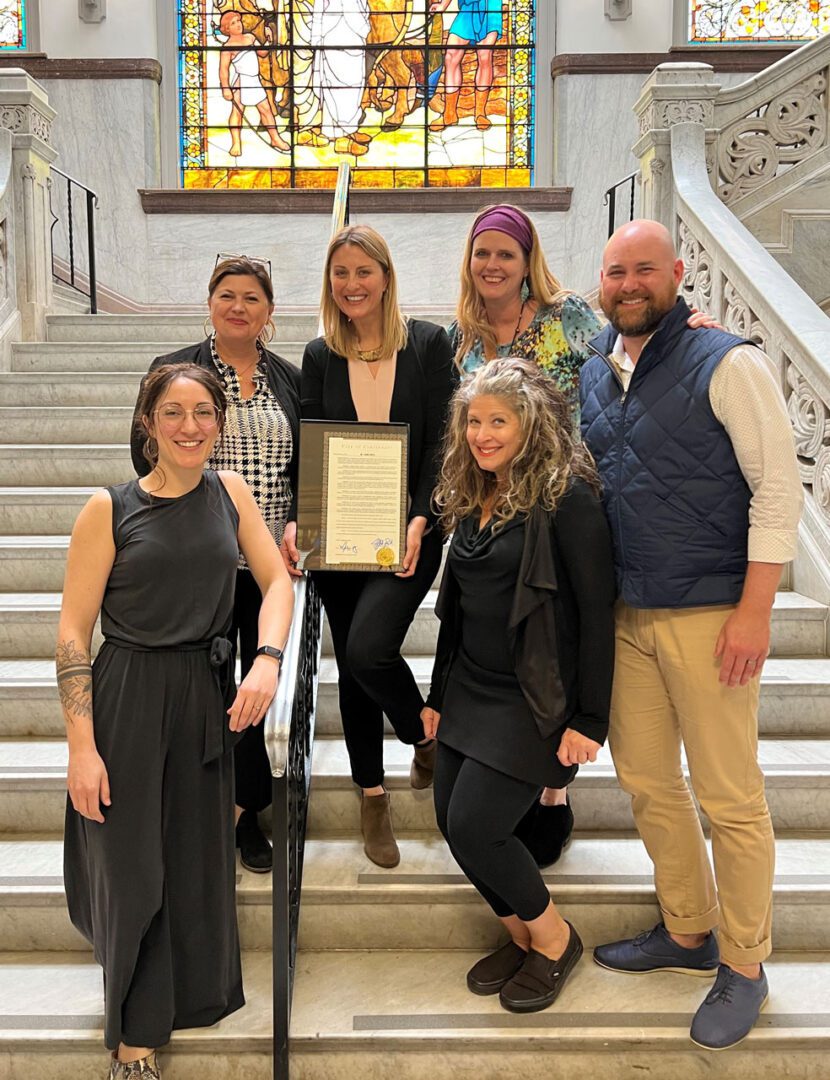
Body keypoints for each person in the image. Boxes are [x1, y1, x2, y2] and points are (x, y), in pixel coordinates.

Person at [581, 220, 803, 1050]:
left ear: (677, 274)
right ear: (599, 284)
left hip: (712, 612)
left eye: (645, 269)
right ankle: (686, 930)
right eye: (615, 272)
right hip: (628, 614)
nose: (629, 284)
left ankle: (744, 962)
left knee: (730, 798)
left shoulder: (729, 361)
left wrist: (755, 610)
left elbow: (776, 490)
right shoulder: (597, 370)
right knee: (647, 781)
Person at [450, 202, 723, 867]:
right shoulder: (458, 336)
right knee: (522, 632)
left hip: (566, 494)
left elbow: (638, 337)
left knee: (563, 629)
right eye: (482, 253)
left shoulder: (569, 314)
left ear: (526, 260)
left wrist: (691, 326)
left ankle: (551, 792)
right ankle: (519, 779)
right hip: (504, 506)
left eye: (505, 253)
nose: (493, 265)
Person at [61, 363, 294, 1078]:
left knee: (191, 859)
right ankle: (133, 1048)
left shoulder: (231, 493)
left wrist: (267, 658)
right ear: (148, 423)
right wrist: (80, 746)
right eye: (173, 412)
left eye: (202, 412)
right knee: (134, 869)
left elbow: (279, 580)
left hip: (203, 692)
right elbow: (74, 632)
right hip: (128, 692)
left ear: (220, 424)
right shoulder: (110, 507)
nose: (189, 425)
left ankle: (178, 998)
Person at [422, 357, 616, 1012]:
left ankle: (558, 941)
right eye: (473, 421)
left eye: (497, 421)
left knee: (478, 826)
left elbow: (596, 615)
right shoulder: (475, 493)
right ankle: (523, 935)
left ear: (530, 423)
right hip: (470, 688)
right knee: (451, 821)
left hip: (533, 699)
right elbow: (457, 609)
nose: (481, 434)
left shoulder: (568, 498)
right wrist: (435, 697)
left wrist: (591, 720)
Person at [131, 256, 300, 874]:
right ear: (209, 303)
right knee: (203, 689)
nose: (238, 307)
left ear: (269, 311)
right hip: (198, 558)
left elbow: (305, 462)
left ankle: (247, 809)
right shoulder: (175, 372)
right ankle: (198, 804)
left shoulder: (289, 377)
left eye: (252, 298)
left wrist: (295, 524)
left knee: (256, 685)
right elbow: (144, 456)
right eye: (227, 295)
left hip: (265, 563)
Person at [301, 224, 456, 868]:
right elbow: (312, 444)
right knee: (355, 667)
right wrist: (302, 524)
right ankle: (372, 795)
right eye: (341, 273)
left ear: (386, 277)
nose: (352, 285)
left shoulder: (427, 344)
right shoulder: (319, 354)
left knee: (370, 647)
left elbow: (443, 444)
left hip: (409, 535)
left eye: (363, 272)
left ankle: (421, 729)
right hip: (339, 538)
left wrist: (422, 518)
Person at [218, 10, 290, 156]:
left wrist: (269, 41)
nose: (238, 25)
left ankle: (275, 139)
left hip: (254, 80)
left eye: (238, 21)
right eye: (233, 23)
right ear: (226, 29)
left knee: (266, 110)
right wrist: (226, 88)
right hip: (241, 82)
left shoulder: (250, 37)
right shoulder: (227, 48)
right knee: (237, 112)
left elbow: (262, 53)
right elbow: (223, 69)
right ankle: (236, 144)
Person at [428, 0, 503, 131]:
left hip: (490, 7)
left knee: (485, 55)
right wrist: (443, 6)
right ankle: (449, 113)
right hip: (467, 8)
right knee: (451, 55)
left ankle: (480, 113)